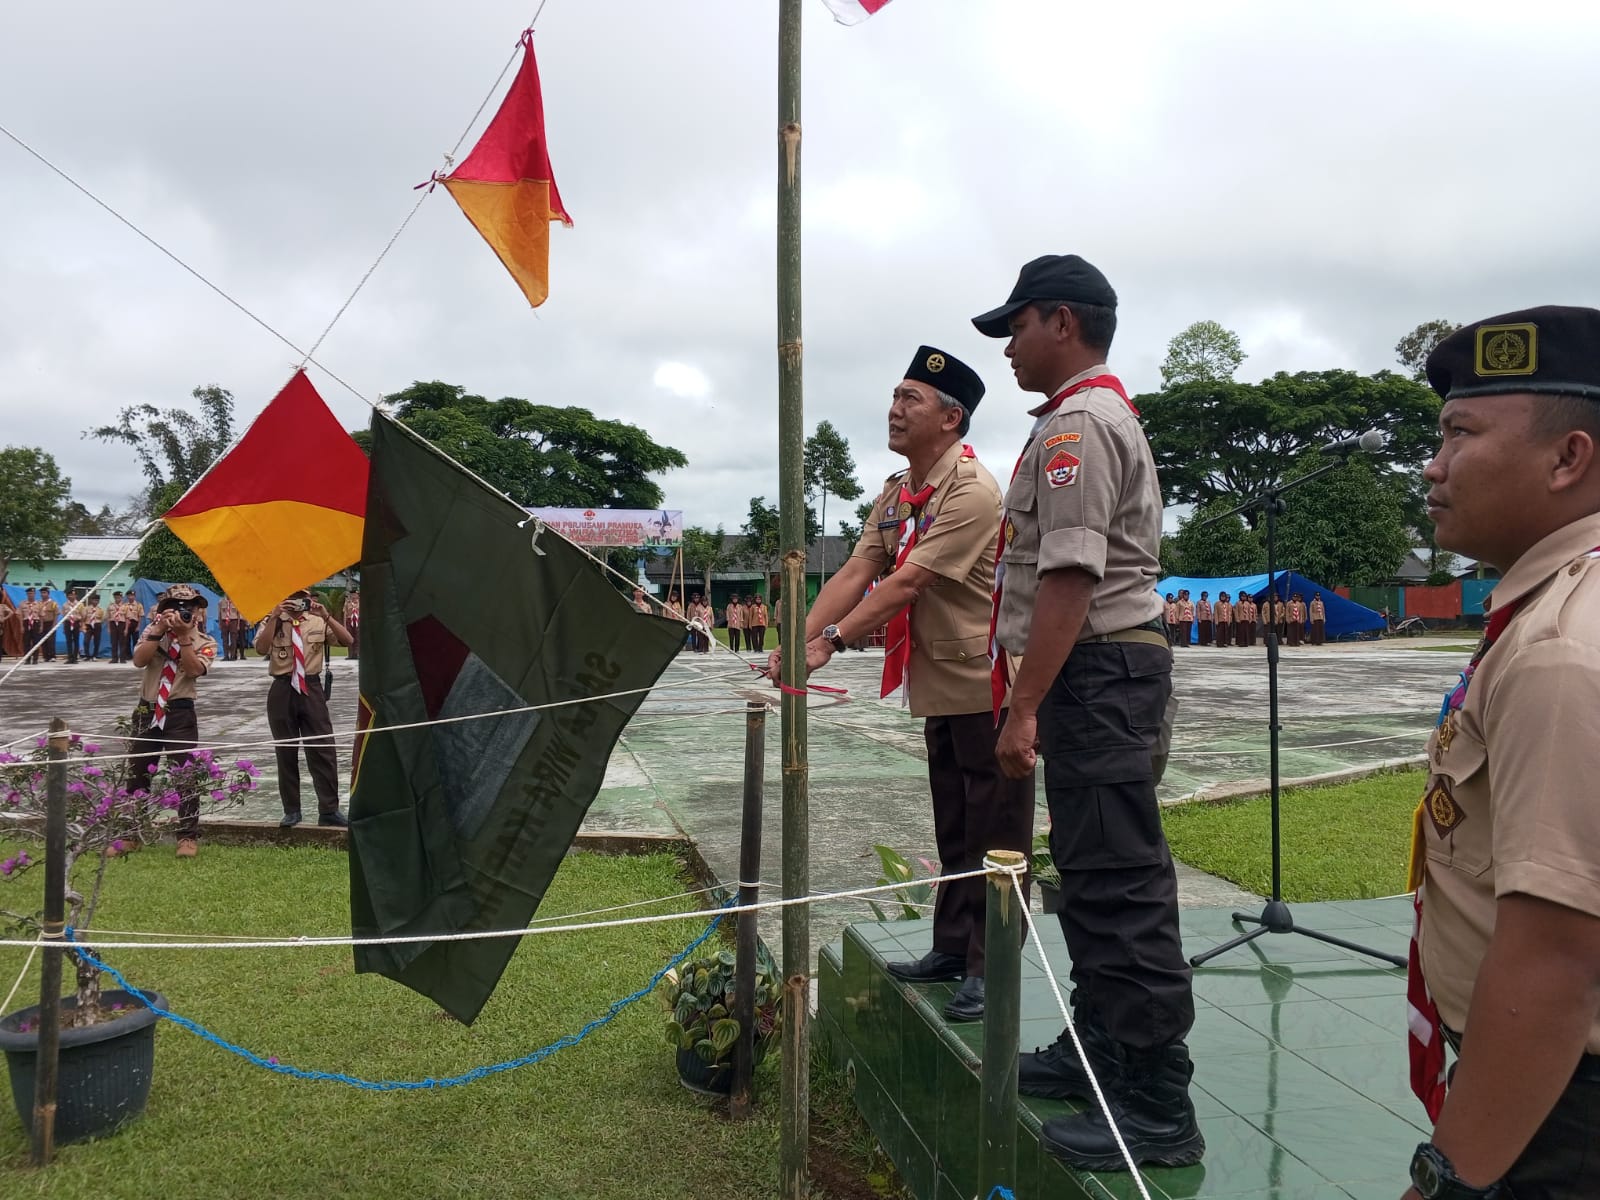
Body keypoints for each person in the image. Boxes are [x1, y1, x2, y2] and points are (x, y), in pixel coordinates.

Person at [973, 255, 1201, 1169]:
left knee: (1119, 879)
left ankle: (1154, 1099)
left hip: (1098, 672)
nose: (1010, 350)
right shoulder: (1084, 418)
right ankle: (1102, 1047)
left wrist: (1023, 708)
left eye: (1017, 328)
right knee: (1092, 867)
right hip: (1097, 672)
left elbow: (1071, 572)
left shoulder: (1079, 423)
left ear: (1060, 322)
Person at [1400, 306, 1600, 1200]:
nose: (1433, 467)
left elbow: (1557, 961)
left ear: (1569, 459)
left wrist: (1450, 1181)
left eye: (1459, 434)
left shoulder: (1563, 647)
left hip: (1560, 1106)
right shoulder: (1549, 607)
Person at [769, 344, 1030, 1023]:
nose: (894, 408)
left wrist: (830, 643)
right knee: (954, 826)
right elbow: (860, 569)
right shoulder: (898, 492)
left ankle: (989, 964)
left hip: (989, 687)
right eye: (895, 396)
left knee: (996, 835)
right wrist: (796, 641)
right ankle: (951, 947)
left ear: (951, 419)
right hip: (941, 686)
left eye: (910, 399)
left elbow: (911, 581)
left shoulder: (972, 491)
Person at [129, 585, 217, 858]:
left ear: (197, 611)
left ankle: (187, 837)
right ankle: (130, 834)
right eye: (175, 606)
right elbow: (139, 661)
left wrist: (184, 638)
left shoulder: (205, 641)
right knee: (137, 773)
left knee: (184, 776)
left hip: (179, 711)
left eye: (188, 606)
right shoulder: (152, 632)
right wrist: (158, 631)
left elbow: (193, 670)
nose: (182, 611)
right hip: (148, 709)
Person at [254, 589, 352, 827]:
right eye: (292, 597)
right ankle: (292, 810)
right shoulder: (273, 621)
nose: (296, 602)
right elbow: (260, 648)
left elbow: (347, 641)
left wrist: (327, 616)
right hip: (282, 688)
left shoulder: (318, 620)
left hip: (311, 687)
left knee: (323, 749)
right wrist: (276, 616)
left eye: (301, 597)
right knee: (285, 751)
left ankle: (329, 810)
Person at [36, 587, 58, 662]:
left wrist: (54, 624)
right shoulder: (39, 603)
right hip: (41, 623)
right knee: (43, 640)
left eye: (44, 593)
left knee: (51, 640)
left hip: (50, 623)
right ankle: (46, 656)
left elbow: (56, 614)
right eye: (41, 593)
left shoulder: (53, 603)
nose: (43, 594)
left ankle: (52, 656)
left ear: (48, 594)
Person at [124, 588, 144, 662]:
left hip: (135, 623)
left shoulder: (138, 605)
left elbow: (140, 616)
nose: (130, 597)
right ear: (127, 597)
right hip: (127, 623)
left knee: (136, 640)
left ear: (135, 596)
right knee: (126, 640)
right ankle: (128, 655)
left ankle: (136, 655)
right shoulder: (124, 605)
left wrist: (138, 626)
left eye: (132, 595)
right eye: (129, 596)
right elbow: (123, 616)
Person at [217, 595, 240, 661]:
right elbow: (219, 614)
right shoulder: (221, 602)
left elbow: (238, 614)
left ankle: (233, 656)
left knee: (233, 639)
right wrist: (219, 623)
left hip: (233, 621)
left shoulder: (235, 601)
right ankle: (226, 656)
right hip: (224, 621)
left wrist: (238, 624)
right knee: (225, 639)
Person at [85, 593, 105, 660]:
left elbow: (102, 619)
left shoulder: (100, 609)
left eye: (97, 600)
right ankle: (87, 655)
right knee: (86, 641)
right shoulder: (86, 608)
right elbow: (84, 617)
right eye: (94, 600)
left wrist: (98, 623)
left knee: (96, 641)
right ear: (91, 600)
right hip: (88, 625)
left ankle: (94, 655)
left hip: (97, 625)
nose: (95, 602)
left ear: (98, 601)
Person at [343, 587, 360, 661]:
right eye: (352, 594)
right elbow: (345, 614)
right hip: (349, 620)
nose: (354, 596)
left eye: (355, 594)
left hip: (358, 621)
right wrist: (344, 624)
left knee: (358, 637)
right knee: (349, 637)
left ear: (357, 595)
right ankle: (350, 655)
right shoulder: (347, 603)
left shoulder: (360, 602)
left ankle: (357, 654)